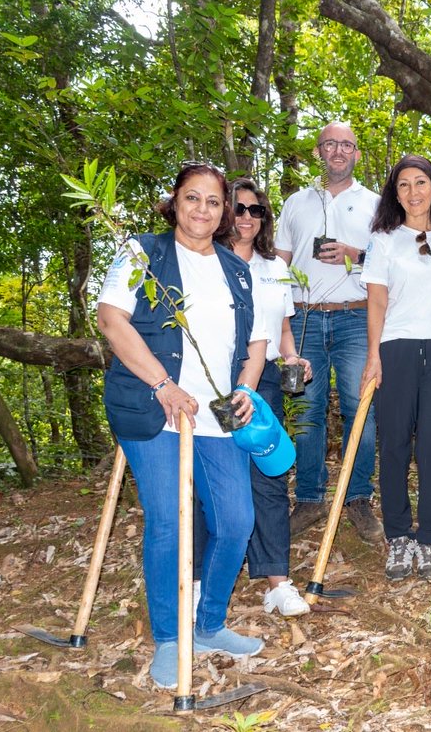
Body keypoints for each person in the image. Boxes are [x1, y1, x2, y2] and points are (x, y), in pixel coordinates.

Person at [97, 163, 267, 690]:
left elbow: (256, 341)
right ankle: (171, 638)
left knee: (236, 522)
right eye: (192, 198)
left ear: (224, 214)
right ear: (174, 201)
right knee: (171, 522)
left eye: (213, 202)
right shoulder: (141, 254)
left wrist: (246, 386)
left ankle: (209, 623)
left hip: (216, 415)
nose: (202, 209)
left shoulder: (236, 268)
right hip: (154, 409)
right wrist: (161, 385)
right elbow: (111, 318)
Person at [275, 121, 384, 544]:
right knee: (307, 409)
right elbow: (278, 263)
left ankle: (358, 498)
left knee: (361, 407)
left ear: (357, 153)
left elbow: (390, 261)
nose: (338, 151)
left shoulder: (376, 204)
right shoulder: (296, 203)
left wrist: (353, 254)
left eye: (347, 145)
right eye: (330, 144)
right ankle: (309, 498)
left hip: (356, 316)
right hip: (303, 317)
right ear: (318, 152)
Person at [360, 155, 431, 580]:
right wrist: (373, 356)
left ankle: (430, 539)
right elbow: (377, 302)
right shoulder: (383, 241)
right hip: (397, 347)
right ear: (395, 193)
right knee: (394, 445)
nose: (413, 192)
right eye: (403, 185)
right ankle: (399, 536)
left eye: (420, 182)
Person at [211, 178, 313, 615]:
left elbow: (283, 329)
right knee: (214, 477)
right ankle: (201, 579)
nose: (247, 217)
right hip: (214, 378)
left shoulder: (274, 267)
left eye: (256, 210)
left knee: (268, 477)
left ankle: (277, 581)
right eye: (239, 208)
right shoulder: (206, 261)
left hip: (265, 380)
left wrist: (293, 358)